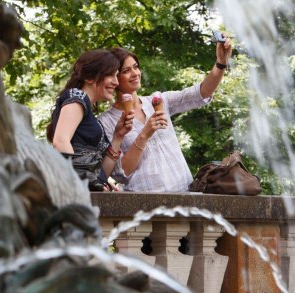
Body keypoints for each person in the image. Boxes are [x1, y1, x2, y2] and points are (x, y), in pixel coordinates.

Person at [98, 34, 233, 192]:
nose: (135, 73)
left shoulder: (159, 100)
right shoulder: (106, 122)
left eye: (136, 67)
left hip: (185, 197)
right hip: (144, 205)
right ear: (114, 78)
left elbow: (201, 93)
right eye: (126, 70)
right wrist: (144, 134)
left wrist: (221, 63)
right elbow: (122, 172)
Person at [46, 49, 134, 191]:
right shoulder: (77, 96)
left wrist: (118, 136)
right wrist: (83, 183)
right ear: (89, 77)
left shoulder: (90, 115)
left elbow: (102, 173)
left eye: (117, 76)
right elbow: (60, 141)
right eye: (111, 75)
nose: (116, 82)